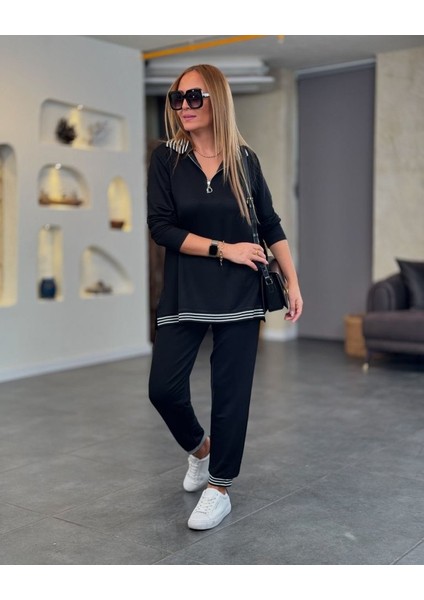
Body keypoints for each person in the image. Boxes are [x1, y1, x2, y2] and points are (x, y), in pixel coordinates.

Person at [147, 64, 303, 531]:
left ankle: (220, 487)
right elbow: (162, 228)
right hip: (185, 291)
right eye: (177, 98)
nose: (184, 106)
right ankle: (201, 449)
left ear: (217, 99)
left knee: (231, 394)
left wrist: (293, 281)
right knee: (163, 390)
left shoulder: (245, 159)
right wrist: (224, 248)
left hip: (240, 291)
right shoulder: (167, 158)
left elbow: (270, 224)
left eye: (194, 97)